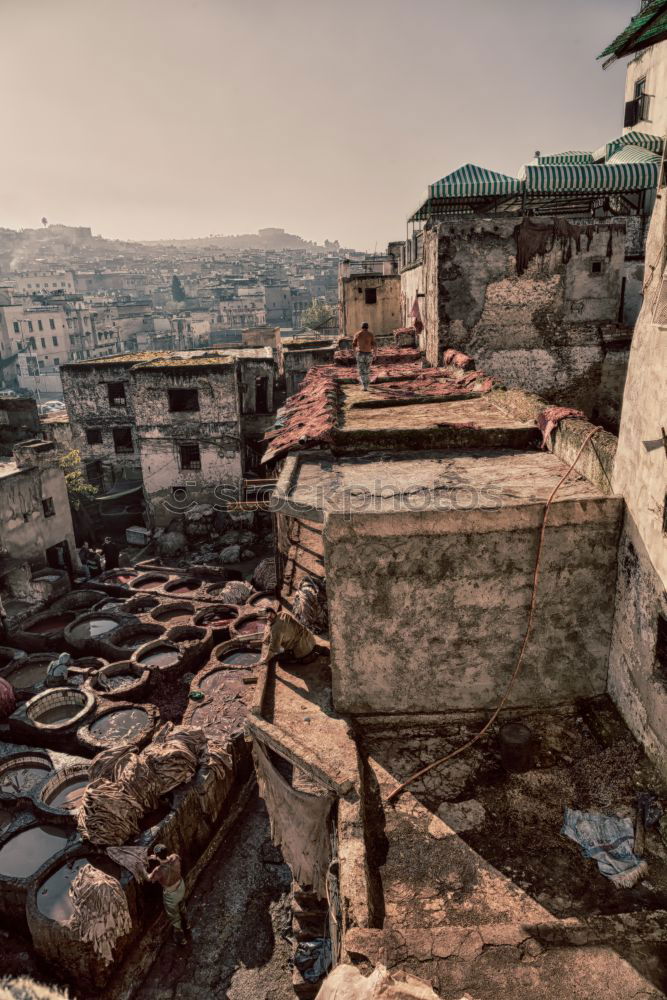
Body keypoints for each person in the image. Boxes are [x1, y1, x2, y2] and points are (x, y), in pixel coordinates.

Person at [147, 844, 188, 945]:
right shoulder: (175, 857)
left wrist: (141, 869)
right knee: (182, 905)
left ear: (157, 856)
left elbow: (149, 878)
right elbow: (170, 860)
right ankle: (187, 924)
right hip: (181, 886)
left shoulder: (159, 870)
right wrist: (157, 857)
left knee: (174, 916)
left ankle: (180, 938)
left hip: (171, 894)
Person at [352, 322, 377, 391]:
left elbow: (354, 345)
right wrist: (375, 354)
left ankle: (365, 386)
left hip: (360, 354)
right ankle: (366, 384)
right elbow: (374, 345)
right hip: (369, 354)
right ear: (367, 327)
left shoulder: (357, 334)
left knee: (361, 371)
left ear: (361, 327)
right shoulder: (371, 334)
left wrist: (354, 353)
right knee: (367, 370)